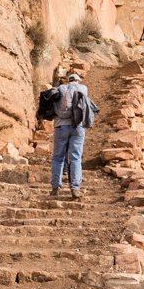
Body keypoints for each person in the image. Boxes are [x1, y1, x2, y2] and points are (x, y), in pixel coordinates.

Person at [50, 71, 89, 200]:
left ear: (68, 80)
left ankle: (55, 188)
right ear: (77, 80)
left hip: (61, 126)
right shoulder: (83, 88)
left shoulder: (60, 89)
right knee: (76, 157)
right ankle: (75, 188)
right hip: (77, 127)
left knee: (58, 158)